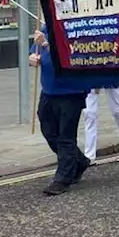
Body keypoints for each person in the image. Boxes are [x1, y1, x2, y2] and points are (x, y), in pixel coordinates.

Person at [29, 26, 91, 196]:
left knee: (66, 137)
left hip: (72, 91)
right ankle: (79, 161)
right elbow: (34, 51)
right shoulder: (46, 27)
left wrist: (47, 45)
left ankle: (62, 179)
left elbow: (73, 58)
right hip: (48, 90)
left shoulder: (78, 29)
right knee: (49, 132)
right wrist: (33, 58)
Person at [83, 85, 119, 162]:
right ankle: (89, 156)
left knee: (117, 110)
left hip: (111, 74)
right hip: (91, 75)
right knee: (89, 114)